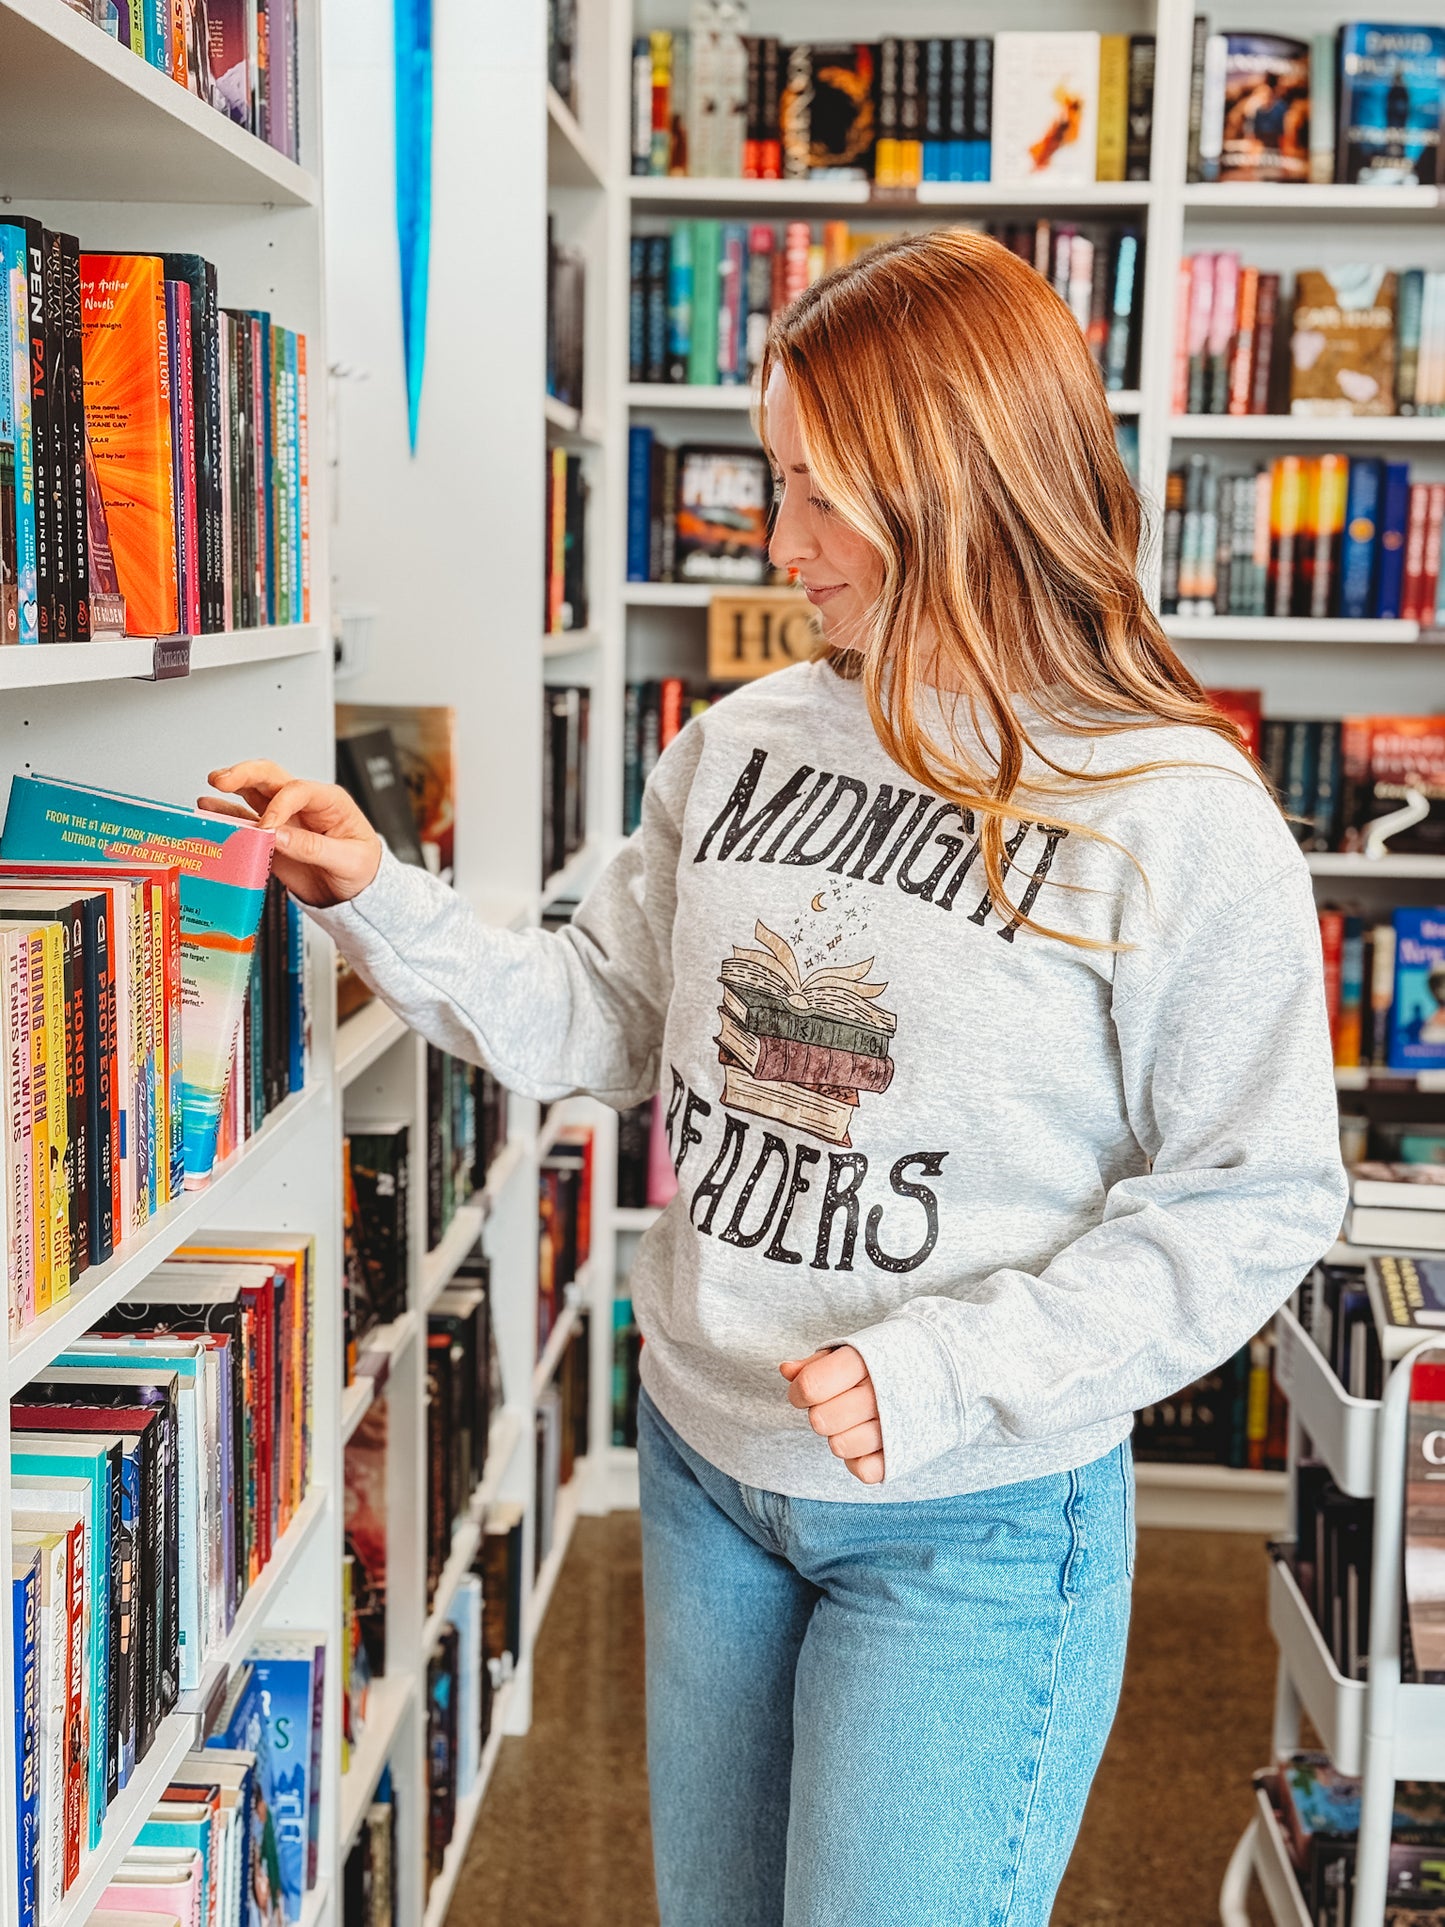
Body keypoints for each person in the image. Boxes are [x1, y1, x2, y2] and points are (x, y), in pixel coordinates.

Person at [206, 229, 1346, 1927]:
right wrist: (385, 903)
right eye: (776, 480)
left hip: (969, 1518)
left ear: (958, 482)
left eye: (821, 494)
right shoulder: (734, 743)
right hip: (707, 1459)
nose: (778, 536)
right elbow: (601, 1018)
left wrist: (958, 1368)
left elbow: (1255, 1201)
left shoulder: (1171, 813)